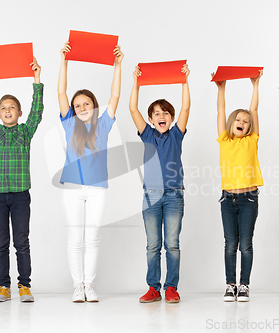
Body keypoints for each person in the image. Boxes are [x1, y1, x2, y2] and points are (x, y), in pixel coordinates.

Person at [57, 42, 123, 303]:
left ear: (94, 106)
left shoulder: (104, 123)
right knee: (75, 238)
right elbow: (61, 91)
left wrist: (117, 65)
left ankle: (89, 286)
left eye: (86, 104)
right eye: (78, 105)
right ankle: (77, 286)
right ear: (73, 110)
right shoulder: (69, 123)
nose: (82, 108)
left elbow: (115, 96)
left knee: (92, 238)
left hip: (97, 188)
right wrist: (64, 61)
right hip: (72, 188)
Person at [0, 57, 43, 302]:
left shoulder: (25, 132)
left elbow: (38, 110)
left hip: (20, 196)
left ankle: (24, 286)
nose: (7, 110)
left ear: (19, 112)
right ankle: (3, 286)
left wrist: (37, 78)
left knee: (21, 242)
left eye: (12, 107)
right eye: (3, 108)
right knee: (1, 243)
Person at [129, 64, 190, 303]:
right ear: (151, 119)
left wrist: (184, 80)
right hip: (151, 196)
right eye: (156, 113)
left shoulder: (176, 134)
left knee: (172, 244)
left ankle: (171, 287)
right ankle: (153, 288)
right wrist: (136, 82)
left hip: (174, 195)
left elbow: (186, 106)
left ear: (171, 118)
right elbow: (132, 108)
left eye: (165, 113)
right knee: (152, 245)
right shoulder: (147, 134)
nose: (161, 116)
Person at [212, 70, 263, 302]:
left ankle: (244, 285)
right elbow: (221, 110)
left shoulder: (252, 140)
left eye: (246, 121)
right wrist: (221, 88)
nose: (242, 122)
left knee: (246, 244)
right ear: (232, 123)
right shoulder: (224, 139)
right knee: (230, 243)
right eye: (239, 120)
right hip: (227, 199)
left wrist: (255, 86)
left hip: (249, 199)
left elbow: (254, 110)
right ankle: (230, 284)